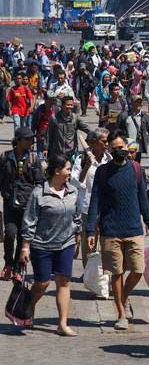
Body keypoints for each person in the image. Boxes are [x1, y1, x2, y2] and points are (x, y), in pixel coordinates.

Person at [86, 132, 149, 330]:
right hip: (110, 231)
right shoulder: (103, 172)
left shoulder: (136, 170)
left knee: (137, 270)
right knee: (116, 273)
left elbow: (143, 201)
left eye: (122, 148)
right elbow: (95, 202)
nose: (119, 151)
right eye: (115, 149)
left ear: (127, 148)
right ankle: (121, 312)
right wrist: (90, 232)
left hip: (134, 229)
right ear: (110, 150)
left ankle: (123, 297)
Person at [19, 154, 79, 336]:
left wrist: (77, 233)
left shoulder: (72, 191)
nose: (70, 172)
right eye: (68, 169)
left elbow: (76, 215)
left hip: (65, 243)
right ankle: (26, 309)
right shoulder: (39, 193)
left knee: (64, 281)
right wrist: (25, 246)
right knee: (43, 283)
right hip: (42, 245)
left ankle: (62, 324)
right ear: (57, 171)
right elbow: (29, 220)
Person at [0, 127, 45, 280]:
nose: (30, 142)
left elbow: (40, 182)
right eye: (27, 139)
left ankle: (19, 268)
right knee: (10, 234)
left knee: (22, 236)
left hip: (27, 205)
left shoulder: (34, 159)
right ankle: (8, 263)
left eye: (31, 139)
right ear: (18, 140)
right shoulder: (5, 157)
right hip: (10, 202)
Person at [70, 128, 111, 267]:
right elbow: (75, 183)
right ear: (94, 142)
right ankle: (89, 272)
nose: (107, 144)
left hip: (106, 207)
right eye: (104, 141)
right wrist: (86, 166)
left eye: (107, 141)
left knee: (107, 242)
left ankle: (104, 271)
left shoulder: (109, 159)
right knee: (89, 242)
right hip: (87, 207)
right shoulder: (81, 159)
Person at [117, 94, 149, 162]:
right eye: (136, 102)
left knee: (136, 165)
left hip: (138, 147)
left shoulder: (144, 117)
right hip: (126, 146)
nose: (138, 104)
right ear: (131, 103)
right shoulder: (124, 115)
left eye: (140, 102)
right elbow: (118, 131)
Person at [47, 95, 90, 160]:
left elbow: (87, 129)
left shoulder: (75, 118)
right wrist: (46, 148)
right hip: (57, 152)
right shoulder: (54, 118)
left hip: (71, 153)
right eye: (67, 105)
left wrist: (96, 135)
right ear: (62, 105)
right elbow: (48, 135)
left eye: (71, 105)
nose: (70, 107)